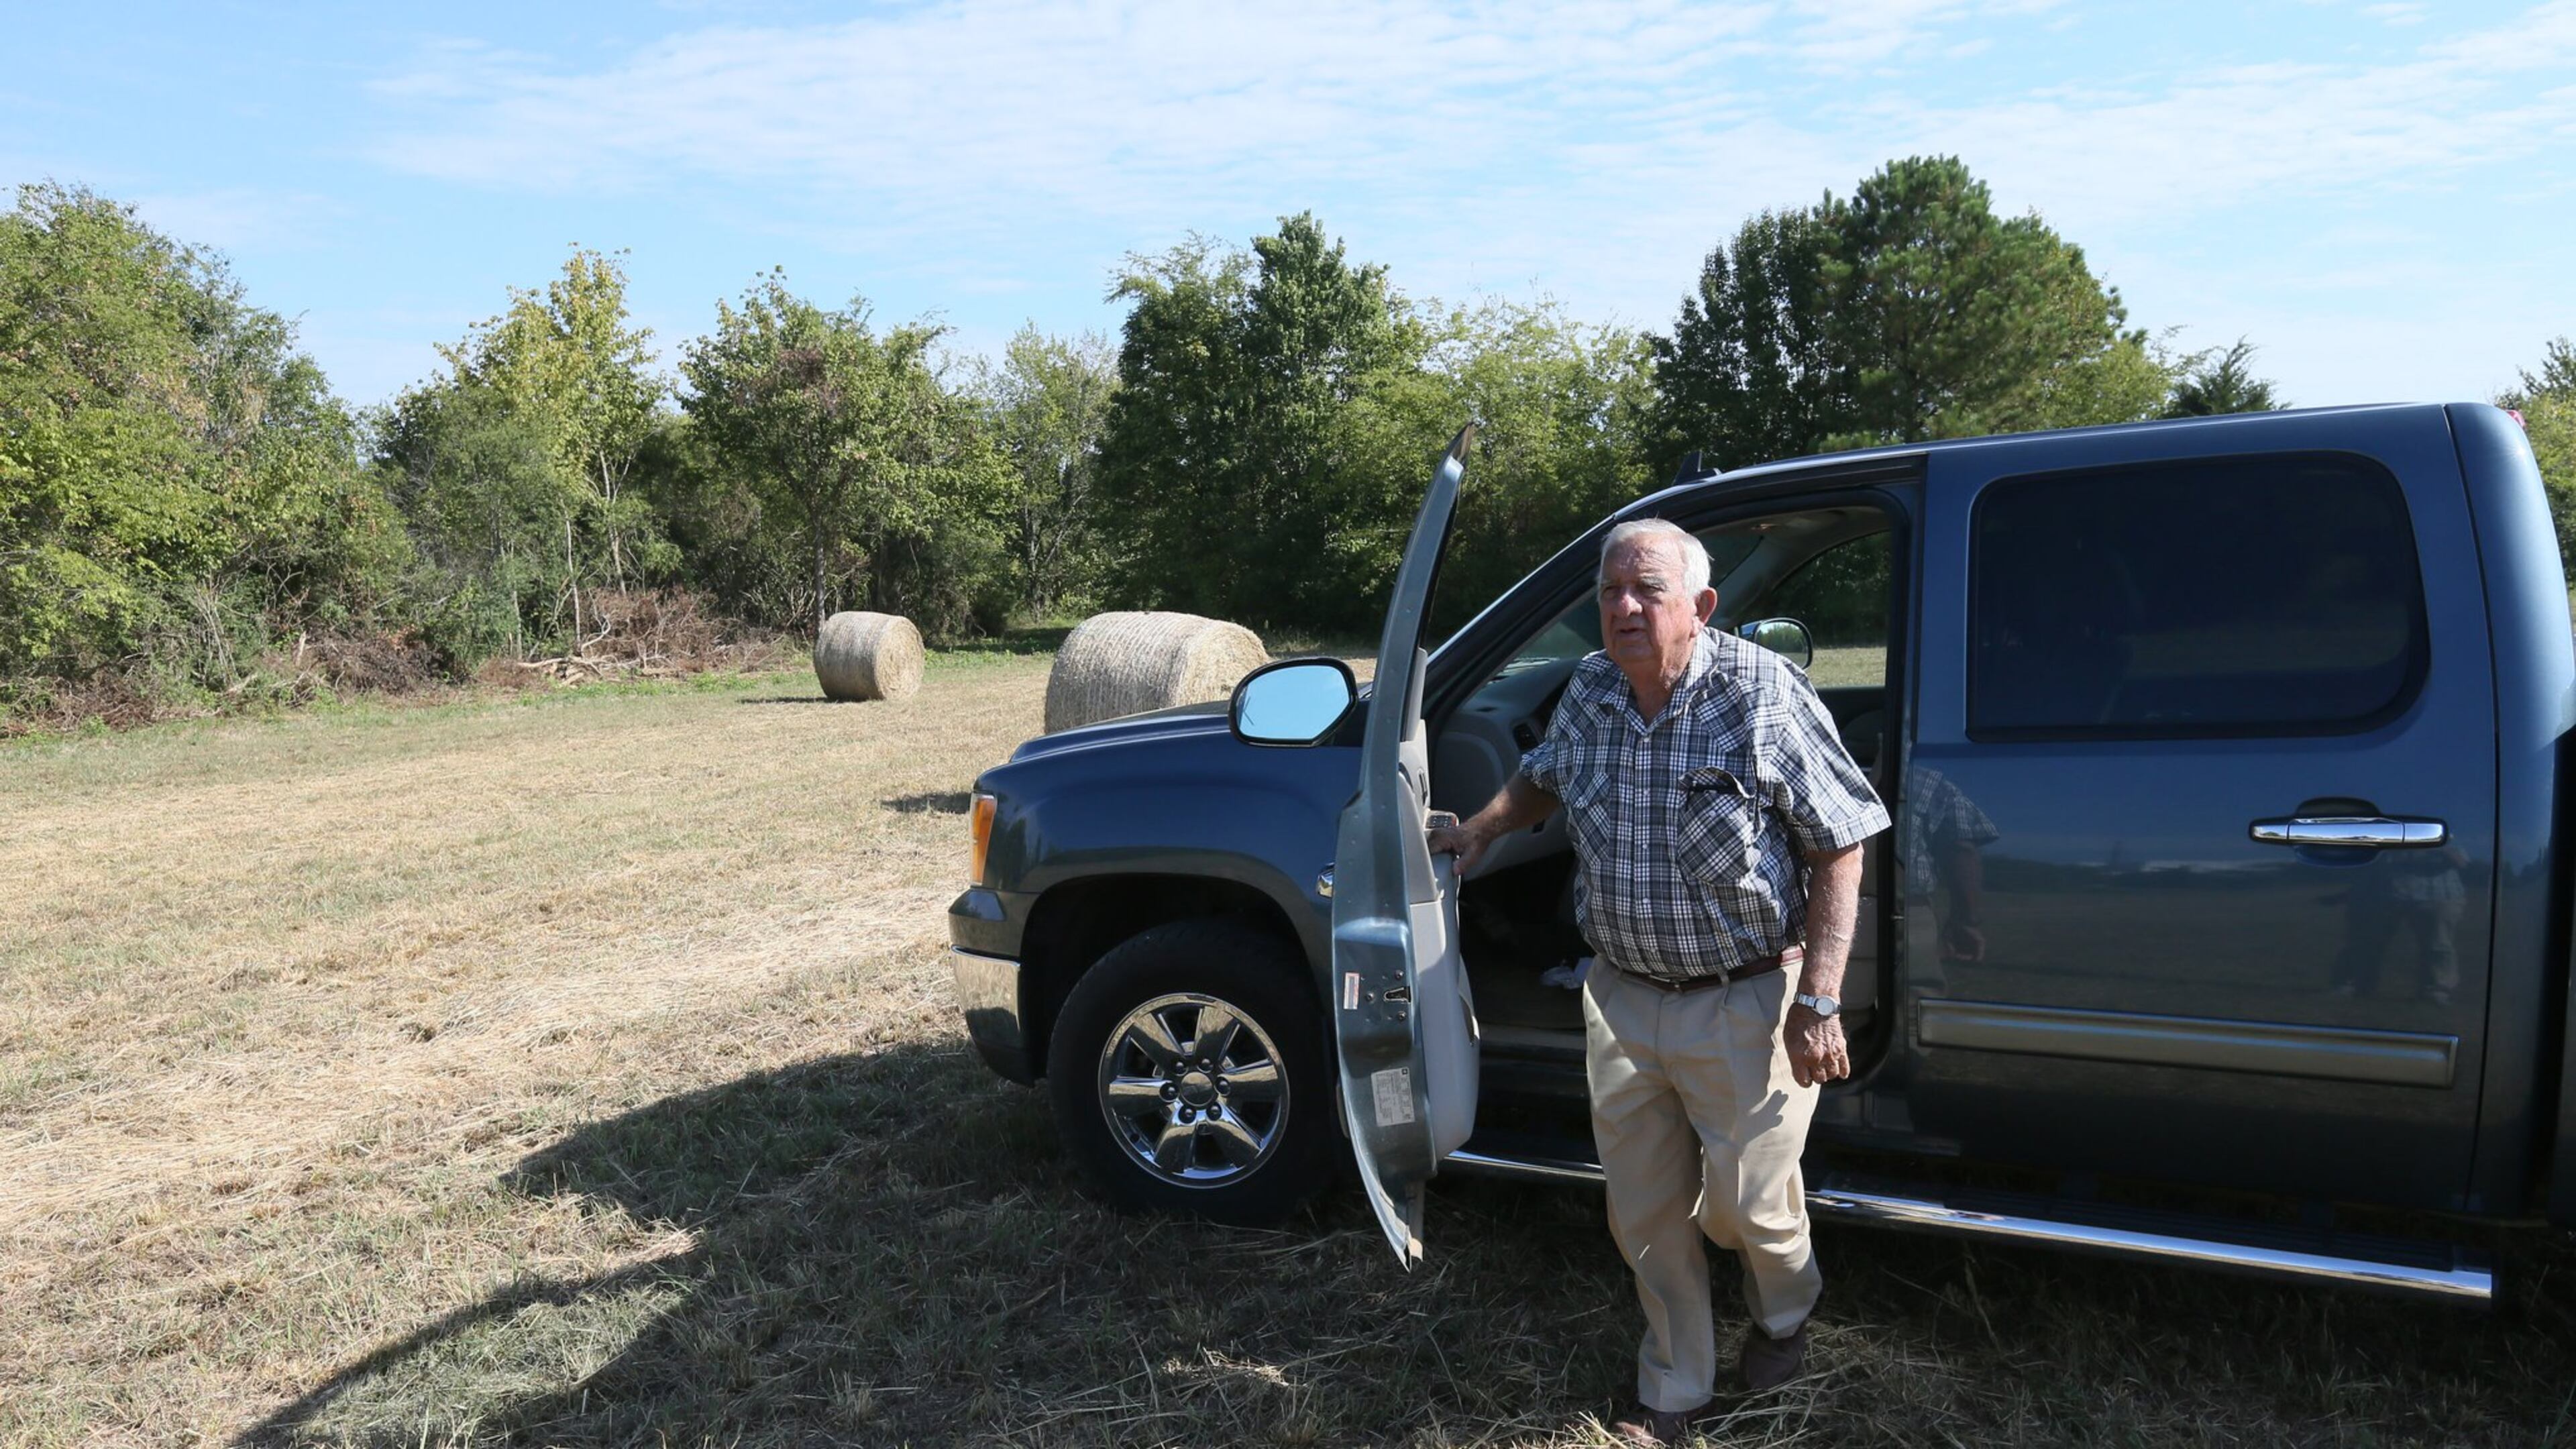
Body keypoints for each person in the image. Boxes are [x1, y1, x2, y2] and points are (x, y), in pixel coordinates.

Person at [1430, 518, 1888, 1446]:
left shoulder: (1762, 696)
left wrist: (1820, 999)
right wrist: (1482, 828)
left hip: (1750, 996)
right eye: (1610, 592)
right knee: (1641, 1210)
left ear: (1702, 606)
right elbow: (1544, 779)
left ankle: (1786, 1310)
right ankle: (1676, 1386)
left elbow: (1842, 845)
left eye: (1648, 590)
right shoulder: (1594, 688)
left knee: (1748, 1207)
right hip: (1623, 994)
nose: (1625, 608)